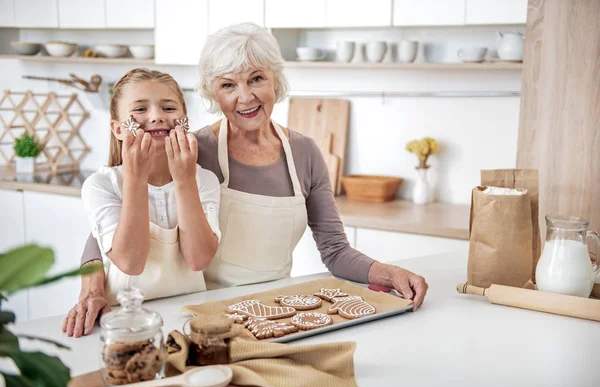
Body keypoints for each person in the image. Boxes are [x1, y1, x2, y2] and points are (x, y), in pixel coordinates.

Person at [64, 23, 428, 338]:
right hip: (203, 314)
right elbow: (104, 232)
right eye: (228, 85)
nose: (245, 96)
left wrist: (388, 272)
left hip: (276, 312)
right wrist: (92, 289)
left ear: (276, 81)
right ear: (212, 94)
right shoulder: (191, 149)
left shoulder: (304, 153)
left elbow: (334, 250)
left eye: (257, 79)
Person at [62, 68, 221, 336]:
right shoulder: (101, 186)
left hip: (188, 322)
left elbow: (198, 259)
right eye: (140, 109)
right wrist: (136, 177)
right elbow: (131, 262)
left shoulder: (203, 181)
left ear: (184, 119)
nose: (157, 116)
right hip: (124, 324)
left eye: (168, 107)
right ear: (117, 128)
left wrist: (184, 180)